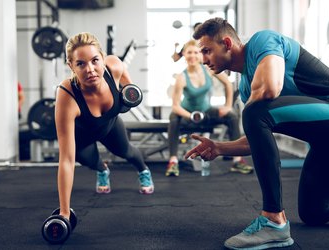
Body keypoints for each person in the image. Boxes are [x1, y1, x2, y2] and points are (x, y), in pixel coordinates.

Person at [185, 17, 329, 249]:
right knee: (315, 212)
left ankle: (274, 221)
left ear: (226, 43)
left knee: (255, 111)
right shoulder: (246, 86)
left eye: (206, 51)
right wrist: (220, 147)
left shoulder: (262, 41)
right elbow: (257, 138)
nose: (203, 60)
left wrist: (252, 115)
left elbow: (270, 89)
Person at [55, 32, 155, 220]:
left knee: (127, 151)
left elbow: (130, 90)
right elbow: (66, 160)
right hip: (81, 137)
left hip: (110, 126)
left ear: (102, 58)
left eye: (94, 60)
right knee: (89, 161)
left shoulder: (115, 66)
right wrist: (64, 213)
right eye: (81, 64)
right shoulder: (67, 94)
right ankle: (102, 170)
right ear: (71, 66)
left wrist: (126, 96)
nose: (90, 69)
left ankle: (143, 170)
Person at [166, 39, 253, 177]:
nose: (192, 56)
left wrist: (228, 105)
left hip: (206, 111)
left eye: (196, 52)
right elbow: (176, 106)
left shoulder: (208, 70)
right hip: (187, 114)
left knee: (232, 116)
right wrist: (191, 116)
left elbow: (228, 84)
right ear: (184, 54)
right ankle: (173, 161)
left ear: (201, 54)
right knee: (173, 117)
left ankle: (237, 160)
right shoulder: (181, 77)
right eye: (189, 53)